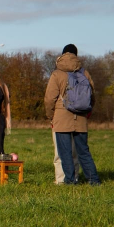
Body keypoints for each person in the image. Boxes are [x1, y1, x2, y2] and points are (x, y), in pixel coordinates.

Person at [44, 44, 100, 186]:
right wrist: (87, 112)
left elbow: (49, 99)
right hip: (81, 118)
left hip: (61, 119)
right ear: (76, 55)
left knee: (65, 153)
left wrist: (51, 116)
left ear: (62, 55)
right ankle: (94, 180)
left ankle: (69, 181)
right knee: (83, 152)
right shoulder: (84, 73)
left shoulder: (57, 73)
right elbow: (92, 97)